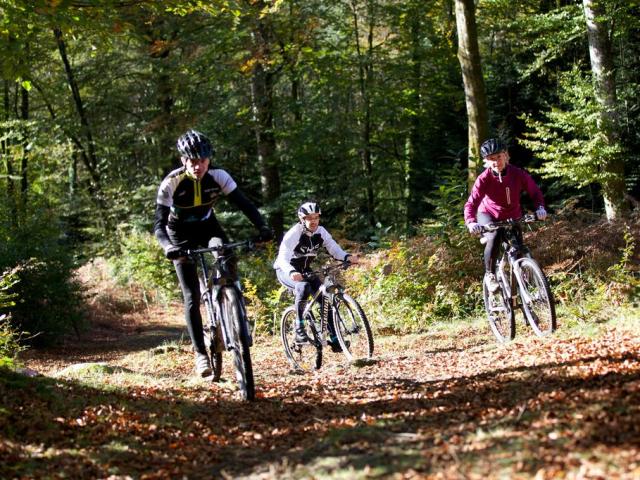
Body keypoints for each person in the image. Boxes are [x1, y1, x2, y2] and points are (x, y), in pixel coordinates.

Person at [154, 129, 272, 377]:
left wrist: (262, 226)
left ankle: (231, 300)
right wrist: (169, 248)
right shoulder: (171, 183)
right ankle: (200, 355)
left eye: (202, 161)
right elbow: (159, 225)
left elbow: (245, 204)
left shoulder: (219, 176)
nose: (198, 166)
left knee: (224, 252)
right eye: (192, 161)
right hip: (179, 233)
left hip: (208, 227)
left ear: (209, 159)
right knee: (191, 296)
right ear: (183, 160)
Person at [464, 138, 547, 292]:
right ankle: (490, 275)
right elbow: (471, 204)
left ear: (506, 155)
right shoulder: (484, 179)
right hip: (488, 215)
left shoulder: (517, 174)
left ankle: (523, 285)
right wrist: (471, 222)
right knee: (494, 236)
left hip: (513, 216)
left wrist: (540, 208)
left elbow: (535, 192)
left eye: (499, 157)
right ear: (486, 162)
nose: (496, 162)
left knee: (519, 248)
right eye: (491, 159)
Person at [274, 202, 359, 352]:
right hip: (285, 270)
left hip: (306, 270)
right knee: (303, 286)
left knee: (324, 299)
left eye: (316, 217)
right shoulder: (295, 233)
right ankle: (300, 328)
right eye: (308, 218)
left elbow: (333, 248)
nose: (313, 221)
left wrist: (346, 256)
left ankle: (335, 339)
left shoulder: (321, 232)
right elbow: (282, 258)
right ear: (302, 220)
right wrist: (291, 272)